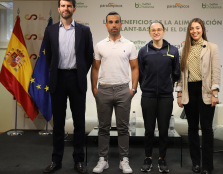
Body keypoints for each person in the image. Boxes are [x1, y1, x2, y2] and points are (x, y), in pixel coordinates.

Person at [43, 0, 93, 173]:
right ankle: (56, 160)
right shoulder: (50, 30)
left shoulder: (84, 31)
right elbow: (49, 56)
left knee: (79, 122)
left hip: (76, 78)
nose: (66, 8)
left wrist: (80, 72)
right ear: (59, 9)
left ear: (74, 9)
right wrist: (56, 71)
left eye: (69, 6)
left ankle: (79, 160)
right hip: (58, 78)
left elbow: (88, 56)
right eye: (63, 6)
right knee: (58, 123)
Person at [91, 11, 139, 174]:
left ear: (121, 24)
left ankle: (123, 160)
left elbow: (134, 68)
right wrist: (94, 89)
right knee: (103, 128)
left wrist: (132, 89)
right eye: (110, 22)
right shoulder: (99, 45)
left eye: (116, 22)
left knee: (123, 128)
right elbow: (95, 68)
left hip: (122, 90)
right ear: (106, 24)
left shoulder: (129, 45)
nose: (113, 25)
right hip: (103, 90)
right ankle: (103, 160)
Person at [176, 18, 221, 174]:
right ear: (189, 31)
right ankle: (196, 163)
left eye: (197, 28)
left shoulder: (212, 47)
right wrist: (179, 93)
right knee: (192, 128)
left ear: (202, 29)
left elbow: (216, 72)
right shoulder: (183, 50)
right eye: (191, 28)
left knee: (207, 129)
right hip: (190, 91)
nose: (194, 31)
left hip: (206, 91)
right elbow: (181, 75)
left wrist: (215, 93)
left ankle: (208, 166)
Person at [138, 21, 180, 173]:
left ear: (164, 32)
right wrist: (145, 87)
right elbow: (140, 73)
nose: (156, 32)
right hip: (148, 96)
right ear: (149, 33)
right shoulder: (143, 51)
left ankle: (162, 159)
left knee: (163, 130)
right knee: (149, 130)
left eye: (159, 30)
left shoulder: (173, 50)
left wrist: (167, 86)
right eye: (153, 30)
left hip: (165, 96)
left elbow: (176, 73)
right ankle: (148, 158)